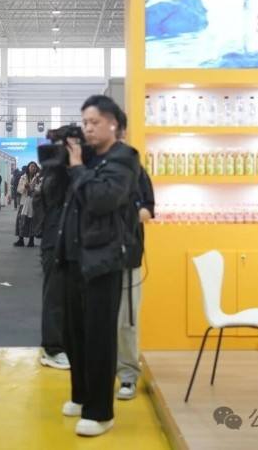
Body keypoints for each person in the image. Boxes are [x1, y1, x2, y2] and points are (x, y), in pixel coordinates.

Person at [56, 95, 139, 437]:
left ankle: (100, 412)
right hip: (73, 255)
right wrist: (68, 161)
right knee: (74, 333)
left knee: (99, 336)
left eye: (94, 122)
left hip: (103, 259)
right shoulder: (88, 158)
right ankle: (81, 396)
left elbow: (101, 199)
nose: (88, 129)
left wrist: (77, 166)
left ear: (113, 124)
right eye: (85, 122)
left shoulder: (124, 158)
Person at [114, 112, 155, 402]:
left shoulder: (136, 170)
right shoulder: (89, 168)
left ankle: (127, 374)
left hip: (127, 256)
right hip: (93, 259)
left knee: (126, 320)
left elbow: (148, 209)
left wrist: (124, 215)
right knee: (94, 320)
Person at [36, 136, 71, 371]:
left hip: (64, 242)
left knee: (64, 297)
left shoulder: (56, 175)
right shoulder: (56, 177)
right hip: (55, 243)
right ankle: (53, 348)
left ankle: (61, 346)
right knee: (55, 297)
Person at [14, 161, 41, 247]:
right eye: (31, 166)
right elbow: (19, 189)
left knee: (32, 221)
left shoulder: (38, 178)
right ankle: (21, 239)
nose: (33, 168)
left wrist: (33, 189)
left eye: (34, 167)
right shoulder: (23, 177)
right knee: (21, 221)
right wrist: (25, 188)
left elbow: (40, 189)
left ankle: (31, 241)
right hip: (24, 202)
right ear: (28, 168)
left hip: (33, 203)